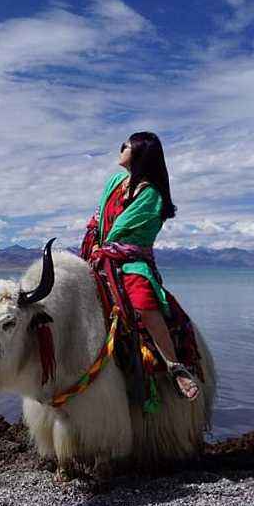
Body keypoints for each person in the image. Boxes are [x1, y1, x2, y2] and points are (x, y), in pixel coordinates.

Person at [83, 131, 199, 401]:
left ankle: (174, 366)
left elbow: (125, 233)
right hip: (99, 255)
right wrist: (93, 239)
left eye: (128, 144)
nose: (122, 146)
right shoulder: (114, 181)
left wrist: (105, 249)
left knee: (143, 303)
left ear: (140, 154)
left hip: (131, 261)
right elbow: (98, 217)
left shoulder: (152, 194)